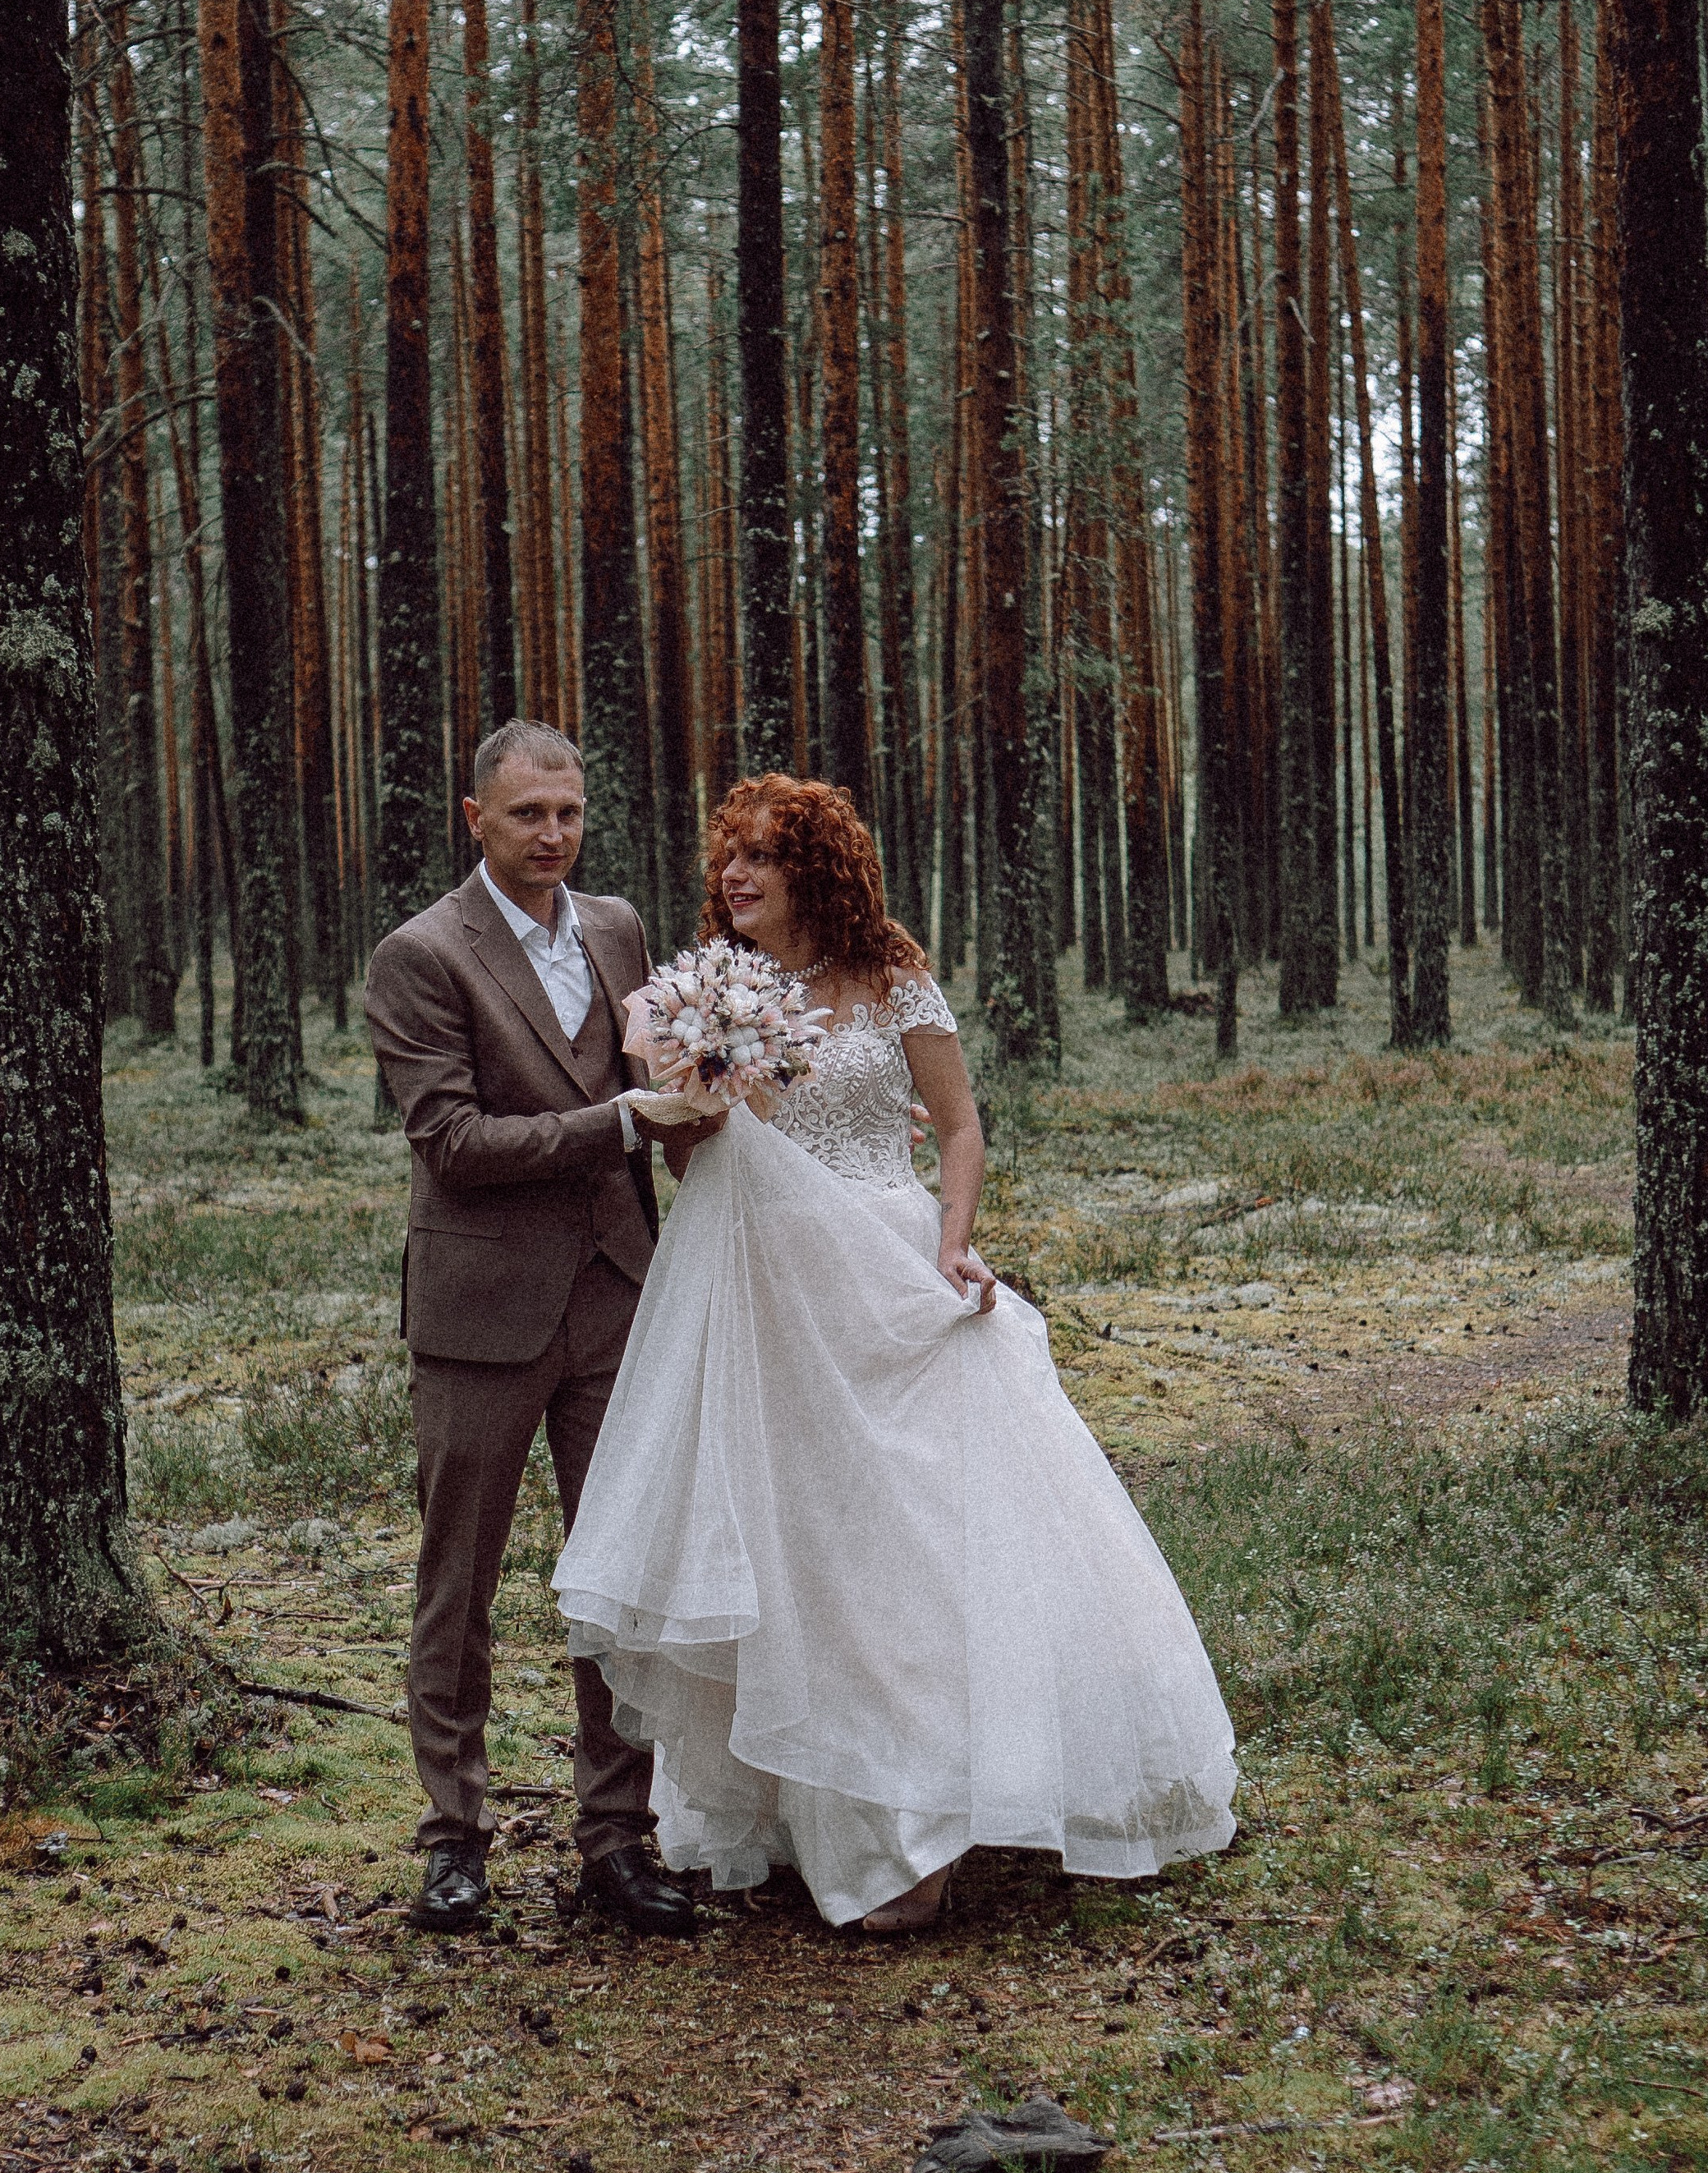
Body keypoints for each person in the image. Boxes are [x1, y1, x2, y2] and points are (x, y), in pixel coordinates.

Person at [553, 774, 1237, 1934]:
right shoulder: (714, 991)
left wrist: (955, 1245)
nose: (738, 875)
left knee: (904, 1550)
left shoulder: (894, 977)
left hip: (884, 1271)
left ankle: (933, 1811)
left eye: (765, 856)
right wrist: (679, 1069)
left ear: (818, 869)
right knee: (788, 1542)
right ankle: (804, 1812)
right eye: (731, 854)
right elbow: (690, 1153)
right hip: (757, 1290)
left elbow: (958, 1123)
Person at [364, 720, 719, 1938]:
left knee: (617, 1577)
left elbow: (667, 1091)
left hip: (621, 1298)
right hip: (480, 1313)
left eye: (568, 812)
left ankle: (617, 1838)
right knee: (457, 1585)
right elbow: (453, 1145)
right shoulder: (421, 956)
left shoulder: (618, 928)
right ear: (477, 818)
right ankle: (453, 1841)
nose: (552, 837)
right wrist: (621, 1123)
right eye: (527, 816)